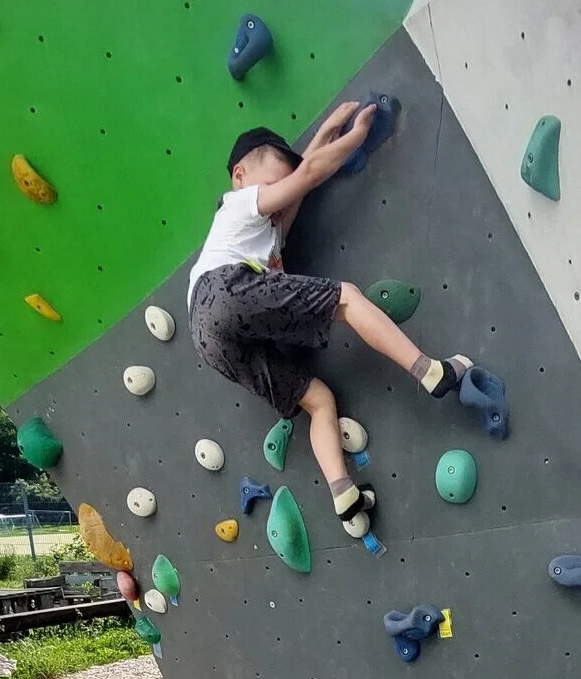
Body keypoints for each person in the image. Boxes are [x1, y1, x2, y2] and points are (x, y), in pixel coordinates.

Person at [187, 109, 471, 539]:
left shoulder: (266, 233)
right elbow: (309, 175)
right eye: (272, 184)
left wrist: (321, 135)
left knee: (317, 400)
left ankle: (346, 500)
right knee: (347, 298)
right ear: (240, 174)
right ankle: (431, 371)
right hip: (224, 290)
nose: (278, 201)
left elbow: (302, 180)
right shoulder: (239, 205)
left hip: (208, 338)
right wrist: (356, 136)